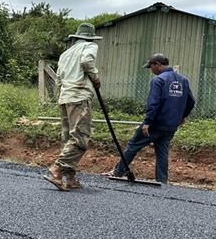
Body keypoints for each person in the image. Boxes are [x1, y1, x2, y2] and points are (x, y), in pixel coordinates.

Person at [105, 53, 195, 183]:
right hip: (171, 125)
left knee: (133, 145)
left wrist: (147, 122)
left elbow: (154, 103)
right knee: (162, 150)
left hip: (156, 124)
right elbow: (191, 101)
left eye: (151, 66)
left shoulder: (158, 80)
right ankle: (162, 180)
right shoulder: (183, 80)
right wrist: (182, 116)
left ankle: (118, 172)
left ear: (157, 65)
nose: (151, 70)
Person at [44, 23, 102, 191]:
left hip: (65, 97)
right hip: (79, 96)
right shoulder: (90, 46)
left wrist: (61, 97)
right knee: (80, 138)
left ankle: (69, 178)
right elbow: (86, 61)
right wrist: (95, 78)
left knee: (68, 138)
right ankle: (56, 170)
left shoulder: (65, 54)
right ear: (90, 37)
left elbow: (59, 79)